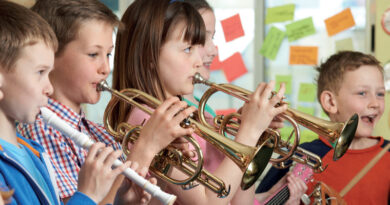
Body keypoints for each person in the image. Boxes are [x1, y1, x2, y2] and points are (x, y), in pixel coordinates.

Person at [17, 0, 196, 203]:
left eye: (108, 54)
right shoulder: (41, 131)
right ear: (51, 54)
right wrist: (146, 148)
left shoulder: (100, 134)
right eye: (93, 54)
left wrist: (163, 161)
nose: (106, 68)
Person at [111, 0, 288, 204]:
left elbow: (241, 202)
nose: (198, 60)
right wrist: (248, 132)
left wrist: (246, 136)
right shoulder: (148, 118)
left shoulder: (190, 114)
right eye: (188, 49)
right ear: (149, 54)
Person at [0, 1, 153, 204]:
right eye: (40, 72)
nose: (49, 88)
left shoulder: (34, 151)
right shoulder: (38, 138)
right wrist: (87, 196)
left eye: (108, 54)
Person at [181, 1, 307, 205]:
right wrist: (247, 132)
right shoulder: (171, 119)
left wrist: (270, 196)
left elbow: (238, 199)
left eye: (211, 38)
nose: (213, 50)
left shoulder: (207, 112)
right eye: (194, 43)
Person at [256, 51, 390, 204]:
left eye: (380, 94)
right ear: (330, 102)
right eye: (362, 93)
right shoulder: (301, 156)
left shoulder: (388, 153)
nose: (375, 103)